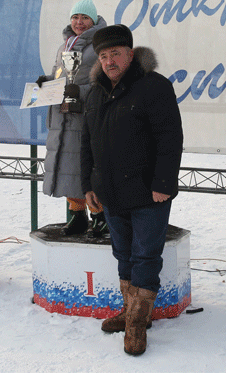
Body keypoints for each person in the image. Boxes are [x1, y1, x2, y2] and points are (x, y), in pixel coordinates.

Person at [81, 24, 183, 356]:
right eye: (104, 55)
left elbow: (171, 139)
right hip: (109, 194)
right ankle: (130, 313)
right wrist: (88, 186)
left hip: (147, 193)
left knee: (145, 257)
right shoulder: (95, 92)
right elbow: (87, 143)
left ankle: (138, 325)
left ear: (130, 55)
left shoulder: (154, 87)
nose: (109, 61)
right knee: (123, 255)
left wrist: (164, 184)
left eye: (116, 54)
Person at [35, 0, 109, 237]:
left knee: (86, 169)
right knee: (67, 168)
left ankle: (99, 216)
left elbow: (105, 83)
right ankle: (77, 215)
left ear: (94, 20)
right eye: (75, 17)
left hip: (85, 118)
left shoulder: (100, 46)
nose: (79, 22)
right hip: (62, 118)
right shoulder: (64, 46)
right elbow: (62, 75)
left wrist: (81, 92)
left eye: (85, 18)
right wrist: (47, 82)